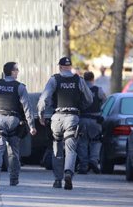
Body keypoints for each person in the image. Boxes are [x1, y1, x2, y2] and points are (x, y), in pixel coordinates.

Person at [37, 57, 93, 190]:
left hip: (57, 117)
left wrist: (41, 114)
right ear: (70, 66)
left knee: (57, 149)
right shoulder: (78, 79)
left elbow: (44, 98)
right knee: (71, 149)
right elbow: (89, 98)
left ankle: (57, 179)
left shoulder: (54, 79)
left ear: (60, 67)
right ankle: (68, 172)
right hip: (73, 117)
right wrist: (80, 107)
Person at [0, 62, 37, 187]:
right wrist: (32, 126)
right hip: (13, 120)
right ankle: (13, 179)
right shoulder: (20, 87)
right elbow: (27, 107)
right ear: (12, 71)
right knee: (13, 151)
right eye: (17, 69)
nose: (18, 72)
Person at [77, 71, 107, 174]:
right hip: (95, 119)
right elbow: (104, 102)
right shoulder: (98, 90)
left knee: (82, 142)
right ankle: (93, 160)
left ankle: (83, 165)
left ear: (84, 79)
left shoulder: (80, 90)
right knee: (96, 141)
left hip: (82, 119)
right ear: (93, 79)